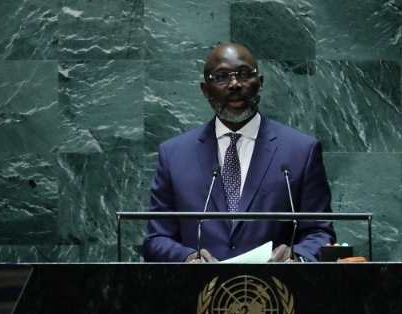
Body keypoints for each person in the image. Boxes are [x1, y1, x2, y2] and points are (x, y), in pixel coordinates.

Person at [143, 43, 335, 263]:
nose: (234, 84)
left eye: (244, 74)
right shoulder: (174, 155)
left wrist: (297, 256)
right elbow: (156, 238)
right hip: (197, 292)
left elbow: (321, 233)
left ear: (260, 84)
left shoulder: (301, 151)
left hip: (276, 291)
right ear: (205, 91)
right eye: (221, 77)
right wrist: (187, 258)